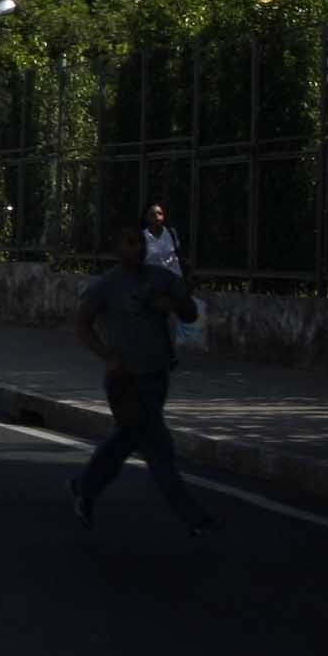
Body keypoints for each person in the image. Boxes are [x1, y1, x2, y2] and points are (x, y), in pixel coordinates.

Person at [70, 225, 216, 535]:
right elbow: (82, 324)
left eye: (140, 243)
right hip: (126, 382)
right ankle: (194, 518)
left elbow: (190, 315)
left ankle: (84, 488)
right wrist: (108, 356)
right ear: (116, 248)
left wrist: (172, 304)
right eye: (129, 242)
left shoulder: (160, 279)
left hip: (157, 375)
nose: (137, 248)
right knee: (158, 446)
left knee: (125, 439)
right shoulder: (106, 286)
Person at [142, 202, 182, 276]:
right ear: (147, 217)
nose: (157, 217)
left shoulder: (171, 233)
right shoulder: (142, 236)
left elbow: (177, 253)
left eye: (159, 213)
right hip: (152, 281)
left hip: (173, 279)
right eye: (152, 215)